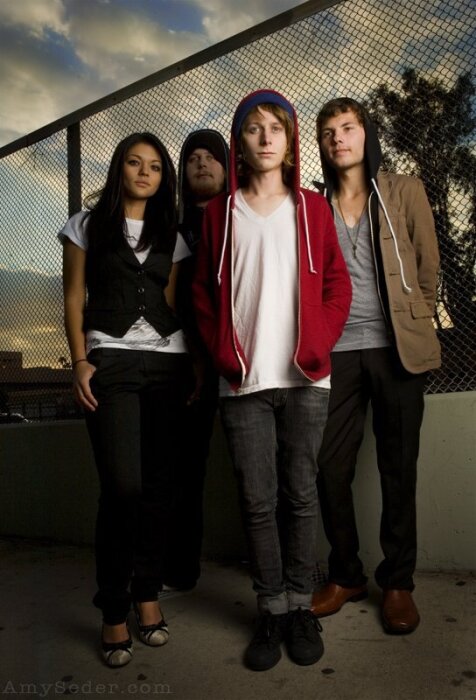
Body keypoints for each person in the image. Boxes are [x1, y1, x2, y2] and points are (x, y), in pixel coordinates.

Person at [192, 90, 352, 671]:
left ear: (290, 141)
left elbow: (337, 284)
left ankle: (301, 606)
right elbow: (202, 295)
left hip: (306, 378)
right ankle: (271, 609)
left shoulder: (312, 208)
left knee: (300, 494)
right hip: (243, 382)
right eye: (254, 128)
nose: (265, 137)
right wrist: (221, 352)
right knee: (257, 500)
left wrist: (319, 342)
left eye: (275, 128)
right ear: (240, 142)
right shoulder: (219, 214)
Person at [60, 132, 192, 667]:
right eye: (135, 163)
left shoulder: (172, 235)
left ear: (164, 178)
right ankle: (113, 608)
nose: (144, 173)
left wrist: (192, 364)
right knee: (122, 487)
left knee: (158, 488)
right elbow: (74, 297)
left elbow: (169, 301)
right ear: (119, 169)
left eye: (155, 166)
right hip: (109, 362)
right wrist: (80, 361)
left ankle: (147, 595)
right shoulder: (85, 225)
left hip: (167, 363)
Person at [311, 98, 441, 634]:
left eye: (348, 127)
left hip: (396, 348)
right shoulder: (314, 207)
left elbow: (427, 268)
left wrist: (414, 322)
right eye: (328, 132)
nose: (338, 138)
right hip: (337, 351)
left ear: (366, 134)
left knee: (398, 467)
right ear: (321, 145)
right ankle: (347, 574)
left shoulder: (404, 190)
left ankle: (398, 583)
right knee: (327, 466)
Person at [162, 129, 229, 592]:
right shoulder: (172, 231)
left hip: (247, 357)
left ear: (227, 166)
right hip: (190, 364)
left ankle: (279, 567)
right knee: (185, 468)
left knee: (265, 465)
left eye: (211, 156)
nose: (202, 163)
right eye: (192, 158)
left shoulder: (245, 218)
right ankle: (181, 569)